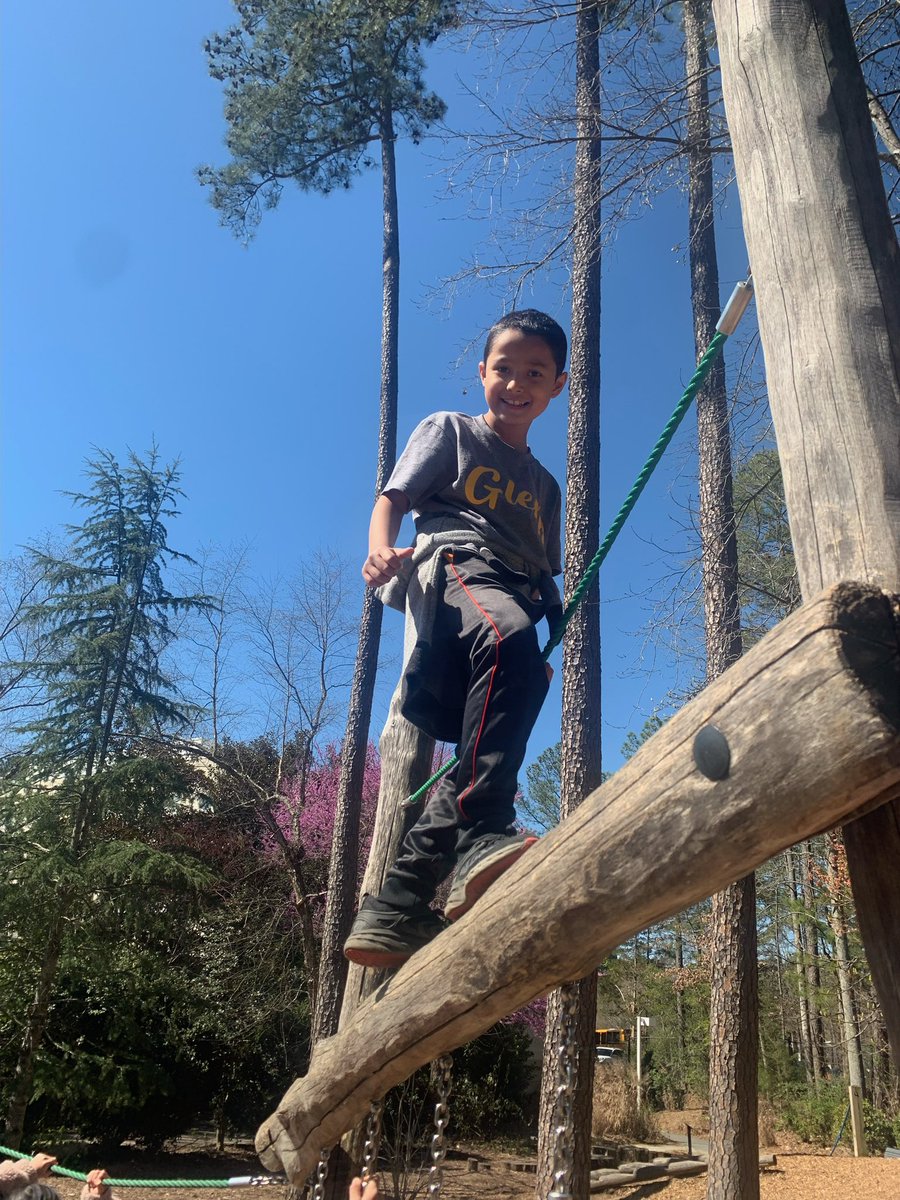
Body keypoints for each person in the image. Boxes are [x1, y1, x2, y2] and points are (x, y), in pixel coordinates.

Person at [344, 309, 568, 968]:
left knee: (483, 748)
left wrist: (539, 645)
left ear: (555, 386)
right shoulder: (451, 431)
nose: (517, 383)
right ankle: (483, 833)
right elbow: (394, 497)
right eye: (504, 368)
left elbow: (543, 571)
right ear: (482, 373)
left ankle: (397, 906)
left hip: (514, 596)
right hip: (455, 565)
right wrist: (380, 550)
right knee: (506, 643)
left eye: (535, 372)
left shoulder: (545, 488)